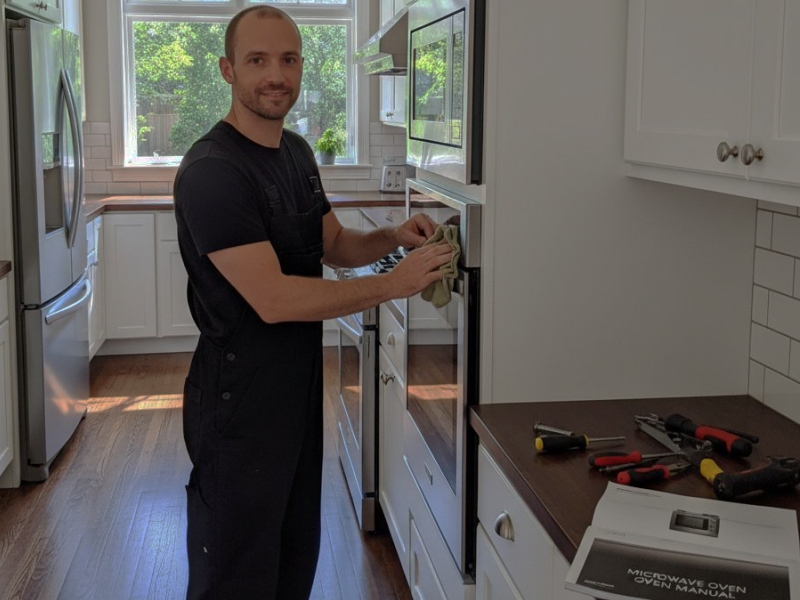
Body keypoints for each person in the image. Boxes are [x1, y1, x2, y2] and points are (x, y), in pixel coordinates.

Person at [172, 5, 452, 599]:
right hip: (236, 402)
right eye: (258, 60)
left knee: (295, 551)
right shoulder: (212, 172)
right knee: (236, 570)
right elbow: (272, 299)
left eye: (289, 59)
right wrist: (393, 283)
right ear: (227, 70)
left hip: (296, 389)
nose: (276, 75)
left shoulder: (296, 153)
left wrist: (391, 239)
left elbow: (334, 244)